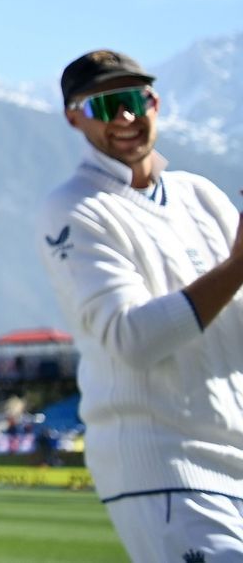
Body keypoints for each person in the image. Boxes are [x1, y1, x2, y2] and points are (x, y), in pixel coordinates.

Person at [39, 49, 243, 561]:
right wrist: (238, 266)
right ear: (74, 117)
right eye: (106, 106)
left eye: (134, 99)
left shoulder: (201, 195)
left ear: (155, 103)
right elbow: (133, 340)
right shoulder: (74, 206)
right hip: (165, 468)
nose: (126, 117)